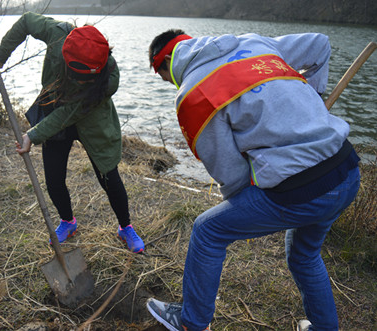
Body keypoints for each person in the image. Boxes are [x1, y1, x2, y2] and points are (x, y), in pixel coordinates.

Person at [145, 30, 361, 330]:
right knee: (304, 253)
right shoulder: (251, 42)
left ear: (168, 61)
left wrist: (248, 203)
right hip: (347, 170)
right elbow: (320, 44)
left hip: (303, 190)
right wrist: (312, 96)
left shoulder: (192, 95)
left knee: (207, 231)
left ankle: (190, 323)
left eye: (164, 77)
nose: (171, 84)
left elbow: (233, 177)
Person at [0, 12, 144, 253]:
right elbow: (27, 20)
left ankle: (125, 227)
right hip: (55, 107)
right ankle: (68, 222)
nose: (78, 81)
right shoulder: (59, 34)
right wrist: (0, 53)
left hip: (90, 118)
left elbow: (72, 112)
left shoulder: (109, 79)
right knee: (54, 179)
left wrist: (33, 134)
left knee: (109, 176)